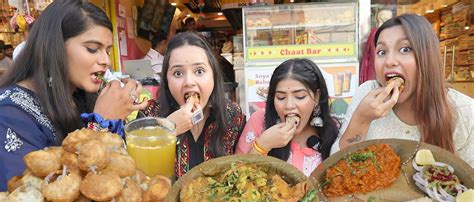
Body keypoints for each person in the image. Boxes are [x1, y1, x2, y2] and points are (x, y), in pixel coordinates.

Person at [0, 0, 148, 191]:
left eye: (108, 50)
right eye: (92, 49)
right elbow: (31, 200)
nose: (106, 61)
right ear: (54, 47)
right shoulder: (9, 114)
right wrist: (101, 124)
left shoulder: (80, 94)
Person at [331, 13, 474, 167]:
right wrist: (361, 120)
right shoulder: (367, 93)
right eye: (381, 52)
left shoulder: (464, 110)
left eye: (405, 49)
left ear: (427, 57)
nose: (389, 61)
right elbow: (333, 167)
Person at [142, 32, 245, 178]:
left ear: (214, 75)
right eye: (178, 73)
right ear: (166, 79)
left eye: (199, 71)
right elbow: (138, 174)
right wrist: (167, 130)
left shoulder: (232, 115)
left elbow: (243, 170)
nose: (189, 82)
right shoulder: (150, 115)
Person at [236, 59, 339, 176]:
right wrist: (262, 145)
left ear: (316, 97)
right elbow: (237, 178)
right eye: (280, 97)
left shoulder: (331, 129)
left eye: (300, 97)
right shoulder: (259, 121)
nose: (289, 105)